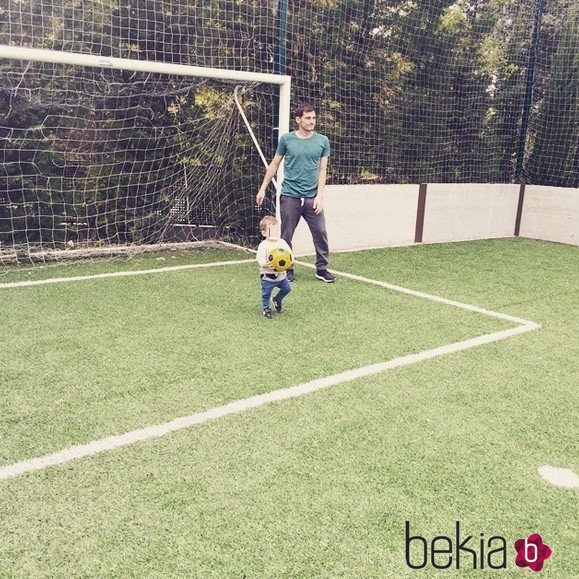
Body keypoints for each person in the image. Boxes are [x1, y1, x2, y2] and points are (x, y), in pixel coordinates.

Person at [256, 104, 335, 283]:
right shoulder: (287, 140)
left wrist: (319, 196)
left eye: (314, 118)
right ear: (298, 120)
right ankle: (288, 268)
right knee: (286, 235)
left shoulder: (322, 141)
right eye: (308, 118)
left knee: (320, 232)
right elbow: (275, 164)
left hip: (311, 197)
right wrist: (263, 188)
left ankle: (322, 269)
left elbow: (323, 170)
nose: (312, 121)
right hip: (290, 195)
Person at [256, 215, 292, 319]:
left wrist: (291, 260)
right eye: (272, 230)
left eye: (277, 230)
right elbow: (260, 258)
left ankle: (277, 299)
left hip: (281, 275)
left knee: (287, 289)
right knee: (266, 293)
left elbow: (289, 254)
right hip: (268, 276)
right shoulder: (263, 245)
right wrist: (265, 264)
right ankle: (266, 309)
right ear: (264, 233)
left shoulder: (282, 242)